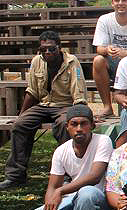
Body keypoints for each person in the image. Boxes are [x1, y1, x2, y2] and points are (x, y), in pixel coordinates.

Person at [1, 31, 87, 190]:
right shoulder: (36, 61)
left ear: (59, 48)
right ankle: (15, 176)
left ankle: (68, 174)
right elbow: (32, 91)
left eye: (52, 49)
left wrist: (78, 115)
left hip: (65, 105)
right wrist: (22, 115)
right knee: (20, 125)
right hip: (44, 104)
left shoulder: (71, 62)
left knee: (65, 125)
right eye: (43, 49)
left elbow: (78, 91)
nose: (48, 52)